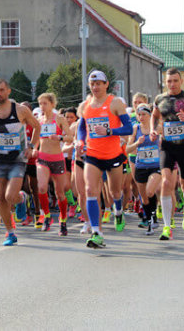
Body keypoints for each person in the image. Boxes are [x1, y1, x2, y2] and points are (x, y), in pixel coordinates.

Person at [76, 71, 133, 249]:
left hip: (114, 155)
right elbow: (82, 128)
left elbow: (129, 128)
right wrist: (79, 141)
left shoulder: (114, 103)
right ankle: (97, 232)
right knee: (89, 189)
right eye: (92, 84)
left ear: (106, 84)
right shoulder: (85, 105)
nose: (95, 87)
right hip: (92, 155)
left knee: (115, 192)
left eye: (99, 83)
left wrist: (110, 132)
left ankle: (118, 210)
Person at [0, 79, 40, 246]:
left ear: (8, 91)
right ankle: (10, 233)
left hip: (17, 158)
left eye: (1, 90)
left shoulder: (20, 110)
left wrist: (32, 146)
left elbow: (37, 126)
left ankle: (21, 198)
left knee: (9, 196)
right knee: (0, 198)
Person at [150, 68, 184, 240]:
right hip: (166, 147)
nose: (172, 84)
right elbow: (154, 116)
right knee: (165, 181)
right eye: (169, 81)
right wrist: (153, 130)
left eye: (175, 81)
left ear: (181, 81)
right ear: (165, 82)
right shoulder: (160, 99)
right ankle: (167, 226)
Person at [33, 93, 73, 235]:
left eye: (45, 103)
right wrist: (34, 149)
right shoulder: (39, 120)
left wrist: (60, 137)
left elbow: (70, 137)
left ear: (52, 104)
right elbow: (36, 139)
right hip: (43, 158)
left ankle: (63, 220)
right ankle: (47, 216)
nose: (42, 106)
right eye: (40, 103)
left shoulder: (59, 119)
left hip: (57, 158)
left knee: (60, 193)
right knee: (42, 187)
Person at [126, 103, 161, 236]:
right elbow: (128, 149)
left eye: (144, 114)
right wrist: (137, 143)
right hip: (141, 166)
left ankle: (153, 217)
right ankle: (151, 219)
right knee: (145, 198)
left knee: (150, 191)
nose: (141, 117)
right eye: (139, 114)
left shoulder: (157, 127)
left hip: (156, 166)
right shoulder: (136, 129)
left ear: (149, 115)